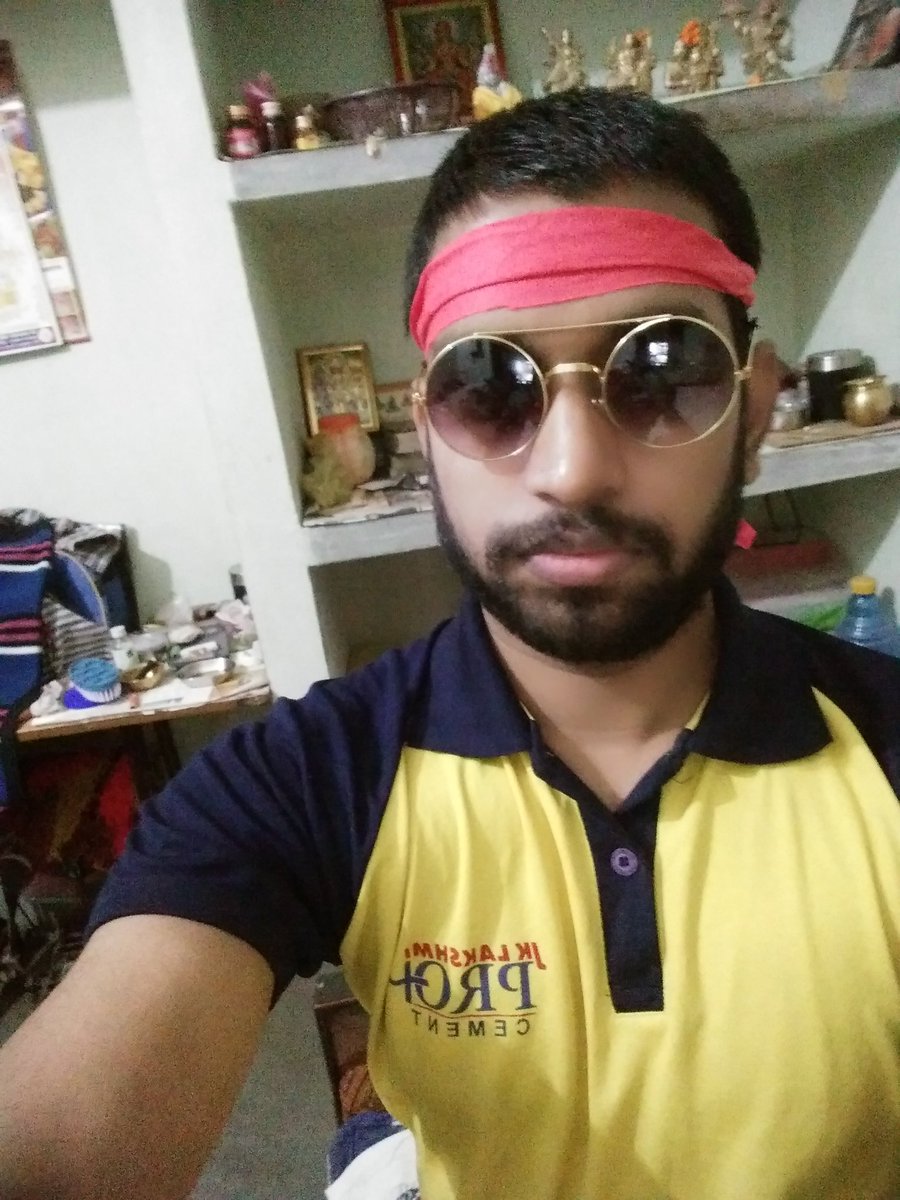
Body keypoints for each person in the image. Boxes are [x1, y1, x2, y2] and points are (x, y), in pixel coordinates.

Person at [0, 88, 898, 1200]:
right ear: (428, 430)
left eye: (663, 371)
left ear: (754, 413)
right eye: (491, 387)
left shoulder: (882, 749)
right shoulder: (313, 779)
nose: (572, 469)